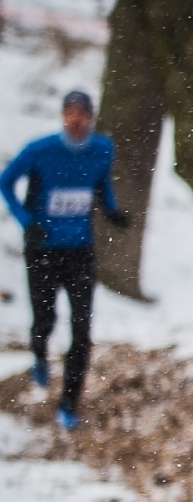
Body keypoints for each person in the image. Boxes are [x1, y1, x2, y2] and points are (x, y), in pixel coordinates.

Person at [1, 90, 127, 429]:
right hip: (43, 249)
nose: (76, 120)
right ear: (61, 116)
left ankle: (69, 401)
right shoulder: (40, 150)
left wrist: (112, 211)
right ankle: (39, 354)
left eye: (82, 114)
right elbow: (5, 182)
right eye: (70, 113)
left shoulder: (102, 149)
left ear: (91, 117)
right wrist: (27, 222)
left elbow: (100, 184)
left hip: (79, 250)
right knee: (45, 319)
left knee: (82, 327)